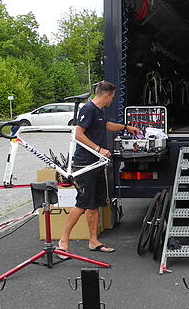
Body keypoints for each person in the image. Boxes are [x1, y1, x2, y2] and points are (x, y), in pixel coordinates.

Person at [58, 81, 142, 257]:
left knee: (95, 205)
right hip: (85, 164)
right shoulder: (88, 109)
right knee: (82, 204)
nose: (112, 100)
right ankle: (63, 241)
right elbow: (78, 134)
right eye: (112, 96)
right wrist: (98, 149)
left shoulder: (99, 111)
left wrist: (126, 127)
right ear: (106, 95)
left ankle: (93, 241)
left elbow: (105, 126)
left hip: (97, 163)